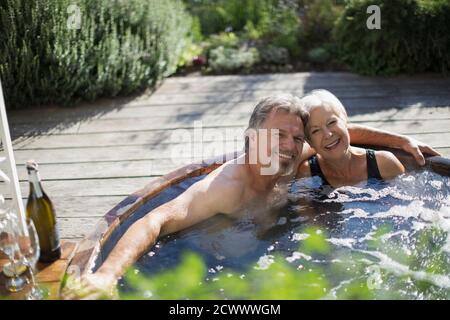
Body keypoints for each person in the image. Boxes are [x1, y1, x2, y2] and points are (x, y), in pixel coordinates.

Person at [62, 93, 439, 299]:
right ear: (252, 138)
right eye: (279, 135)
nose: (290, 146)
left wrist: (400, 141)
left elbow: (339, 134)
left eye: (296, 138)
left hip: (272, 256)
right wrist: (107, 276)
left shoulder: (292, 163)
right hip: (219, 267)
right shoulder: (227, 186)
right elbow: (155, 220)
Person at [297, 90, 405, 187]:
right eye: (315, 131)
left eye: (331, 122)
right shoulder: (307, 174)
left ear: (345, 120)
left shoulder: (384, 162)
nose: (328, 134)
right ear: (309, 141)